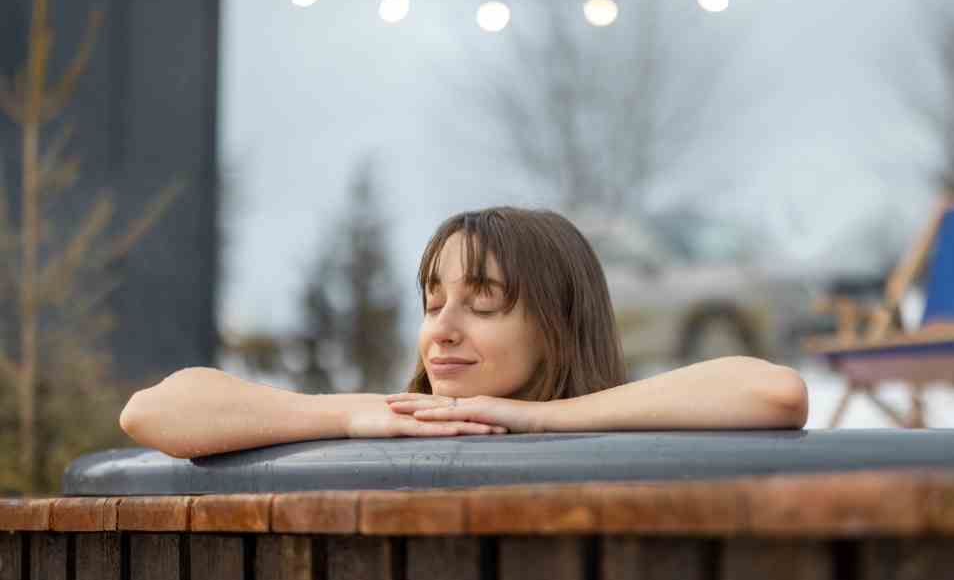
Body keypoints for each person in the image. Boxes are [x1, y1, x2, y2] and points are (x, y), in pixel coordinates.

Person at [120, 207, 809, 459]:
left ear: (558, 328)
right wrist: (359, 417)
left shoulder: (620, 432)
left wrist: (538, 418)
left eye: (483, 305)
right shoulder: (398, 425)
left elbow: (775, 393)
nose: (443, 330)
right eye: (433, 303)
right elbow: (151, 412)